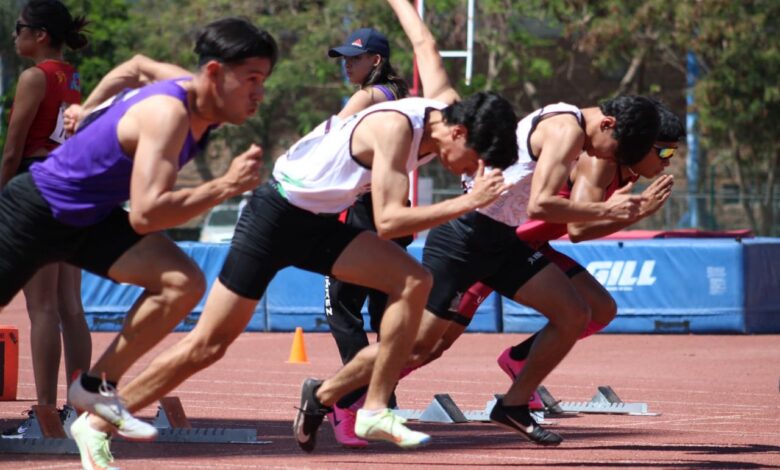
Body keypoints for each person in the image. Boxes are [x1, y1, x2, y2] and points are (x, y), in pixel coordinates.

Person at [81, 0, 519, 454]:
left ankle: (372, 409)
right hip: (274, 214)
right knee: (208, 345)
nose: (469, 174)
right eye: (475, 164)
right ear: (461, 134)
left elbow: (423, 42)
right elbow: (388, 222)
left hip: (319, 223)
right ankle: (95, 425)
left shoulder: (448, 110)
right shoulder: (395, 128)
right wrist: (468, 201)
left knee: (414, 280)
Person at [0, 17, 277, 470]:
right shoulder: (170, 113)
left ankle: (95, 386)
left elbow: (135, 64)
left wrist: (83, 110)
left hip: (89, 219)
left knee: (181, 281)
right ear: (212, 73)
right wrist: (226, 186)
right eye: (250, 79)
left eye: (262, 81)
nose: (258, 93)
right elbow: (148, 213)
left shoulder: (189, 90)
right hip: (35, 210)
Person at [410, 95, 659, 446]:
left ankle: (512, 405)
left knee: (574, 313)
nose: (608, 159)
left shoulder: (571, 128)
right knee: (423, 346)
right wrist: (610, 211)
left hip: (503, 240)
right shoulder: (566, 129)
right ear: (608, 124)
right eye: (616, 151)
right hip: (467, 236)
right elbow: (540, 205)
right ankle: (340, 396)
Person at [0, 0, 91, 439]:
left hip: (39, 185)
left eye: (19, 28)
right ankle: (81, 409)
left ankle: (45, 413)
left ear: (38, 34)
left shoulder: (33, 76)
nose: (14, 35)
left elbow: (13, 148)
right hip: (73, 186)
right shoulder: (72, 75)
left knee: (42, 308)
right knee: (72, 306)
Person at [323, 26, 412, 448]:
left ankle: (350, 403)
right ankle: (383, 405)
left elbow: (331, 145)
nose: (346, 64)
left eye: (354, 58)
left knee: (341, 310)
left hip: (363, 215)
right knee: (383, 316)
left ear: (375, 61)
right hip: (393, 214)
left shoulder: (369, 97)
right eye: (344, 58)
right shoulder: (399, 96)